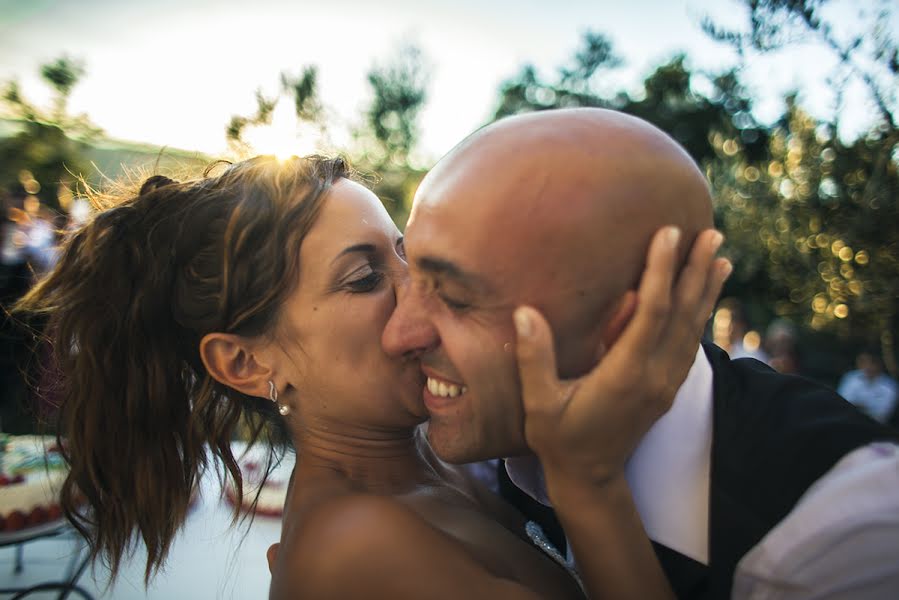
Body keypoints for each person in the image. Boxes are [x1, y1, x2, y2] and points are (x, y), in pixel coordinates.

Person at [14, 154, 726, 599]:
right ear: (246, 362)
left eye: (411, 255)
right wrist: (586, 483)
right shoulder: (359, 544)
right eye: (364, 279)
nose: (422, 296)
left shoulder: (437, 462)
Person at [382, 108, 899, 599]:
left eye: (454, 297)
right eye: (410, 273)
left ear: (630, 326)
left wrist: (586, 487)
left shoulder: (842, 537)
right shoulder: (478, 448)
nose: (398, 336)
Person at [838, 350, 899, 424]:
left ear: (879, 364)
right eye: (862, 362)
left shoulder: (890, 386)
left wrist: (858, 406)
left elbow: (882, 415)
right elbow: (841, 403)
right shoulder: (850, 377)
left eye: (871, 362)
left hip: (874, 427)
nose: (866, 366)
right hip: (845, 422)